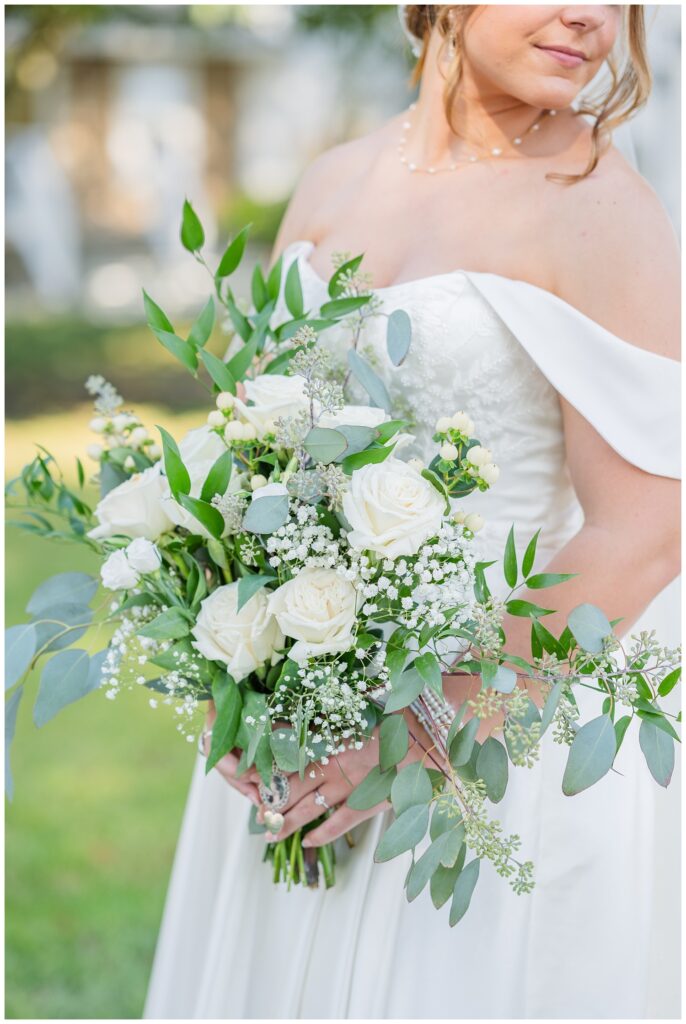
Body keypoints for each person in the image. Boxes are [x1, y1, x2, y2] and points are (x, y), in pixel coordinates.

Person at [144, 6, 680, 1018]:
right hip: (306, 716)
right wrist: (236, 676)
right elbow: (267, 451)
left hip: (495, 725)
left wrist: (410, 734)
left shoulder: (601, 207)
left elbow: (644, 535)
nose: (593, 18)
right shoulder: (334, 179)